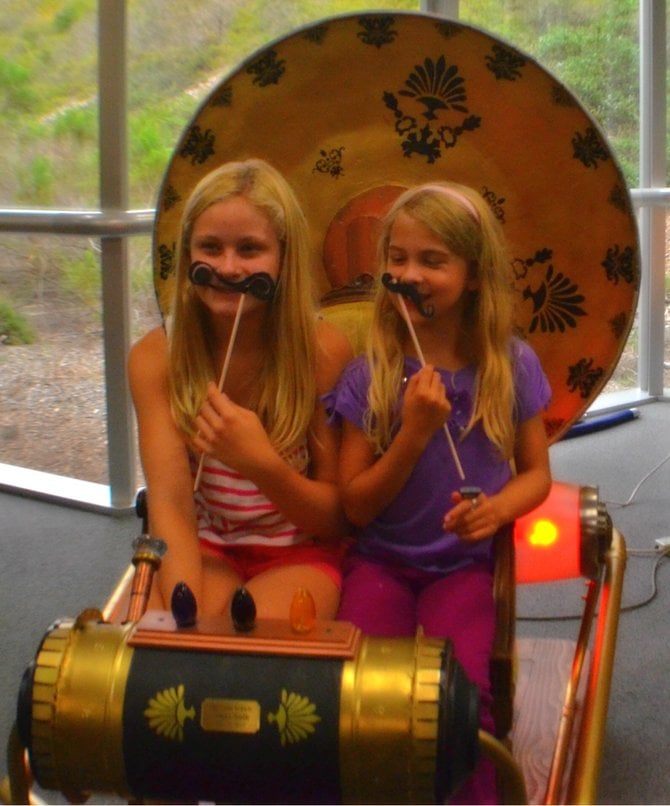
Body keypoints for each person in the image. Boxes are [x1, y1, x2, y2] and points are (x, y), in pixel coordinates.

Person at [327, 181, 552, 803]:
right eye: (397, 259)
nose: (410, 274)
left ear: (474, 275)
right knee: (359, 690)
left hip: (463, 567)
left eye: (432, 261)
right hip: (381, 564)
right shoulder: (369, 373)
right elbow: (355, 504)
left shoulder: (510, 364)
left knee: (461, 693)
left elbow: (537, 473)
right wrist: (414, 430)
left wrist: (500, 509)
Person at [128, 158, 352, 621]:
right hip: (204, 545)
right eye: (209, 247)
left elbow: (335, 519)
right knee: (153, 651)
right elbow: (169, 502)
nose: (228, 267)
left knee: (254, 659)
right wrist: (184, 616)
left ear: (283, 259)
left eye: (250, 249)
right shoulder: (155, 358)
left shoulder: (324, 351)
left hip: (299, 550)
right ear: (188, 253)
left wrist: (259, 463)